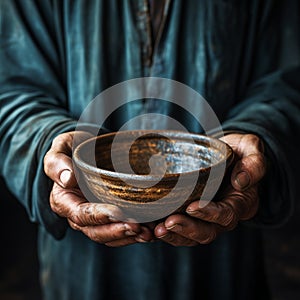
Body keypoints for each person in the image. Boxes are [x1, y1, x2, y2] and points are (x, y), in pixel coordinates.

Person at [0, 1, 299, 299]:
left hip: (223, 268)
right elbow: (12, 91)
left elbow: (287, 83)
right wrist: (50, 142)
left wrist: (258, 135)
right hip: (83, 274)